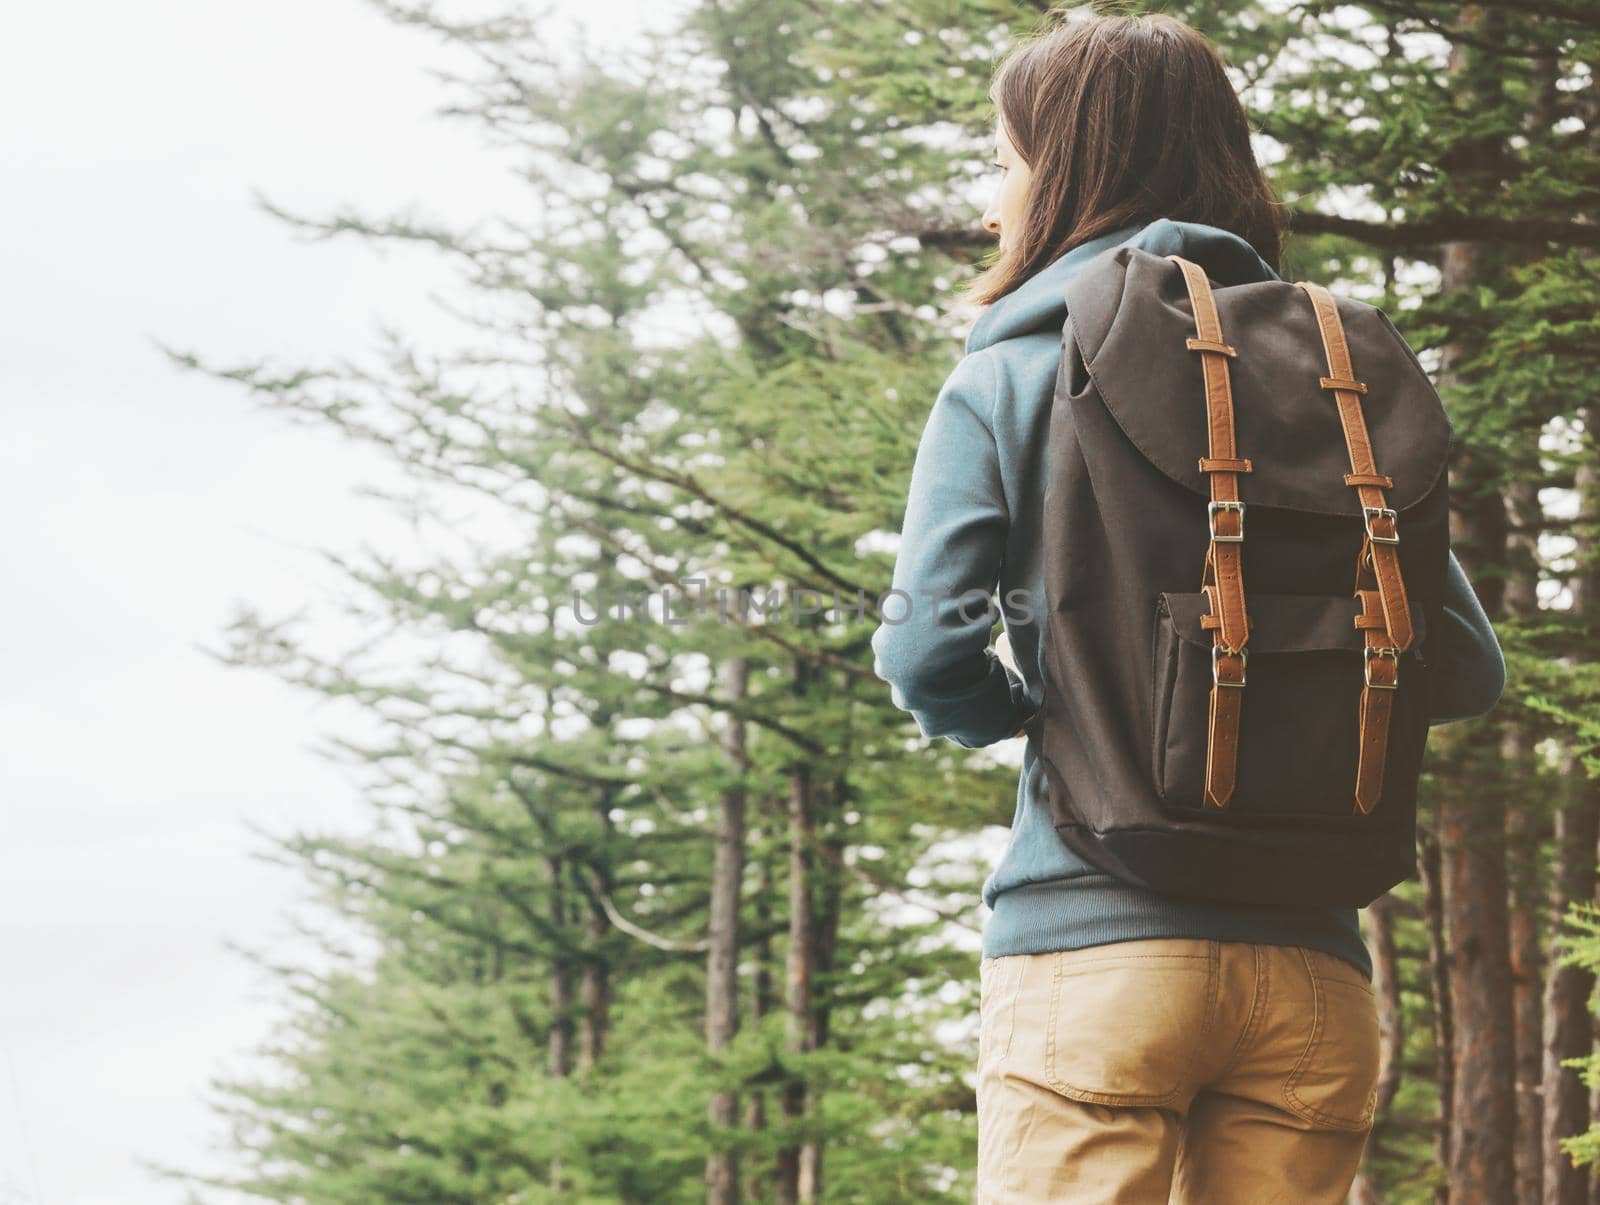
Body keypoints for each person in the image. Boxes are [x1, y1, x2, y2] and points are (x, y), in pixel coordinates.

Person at [868, 7, 1507, 1203]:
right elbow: (1464, 670)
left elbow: (923, 647)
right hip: (1313, 978)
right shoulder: (1337, 391)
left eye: (1004, 160)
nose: (995, 193)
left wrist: (1032, 709)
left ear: (1062, 174)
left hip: (1090, 950)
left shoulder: (1008, 370)